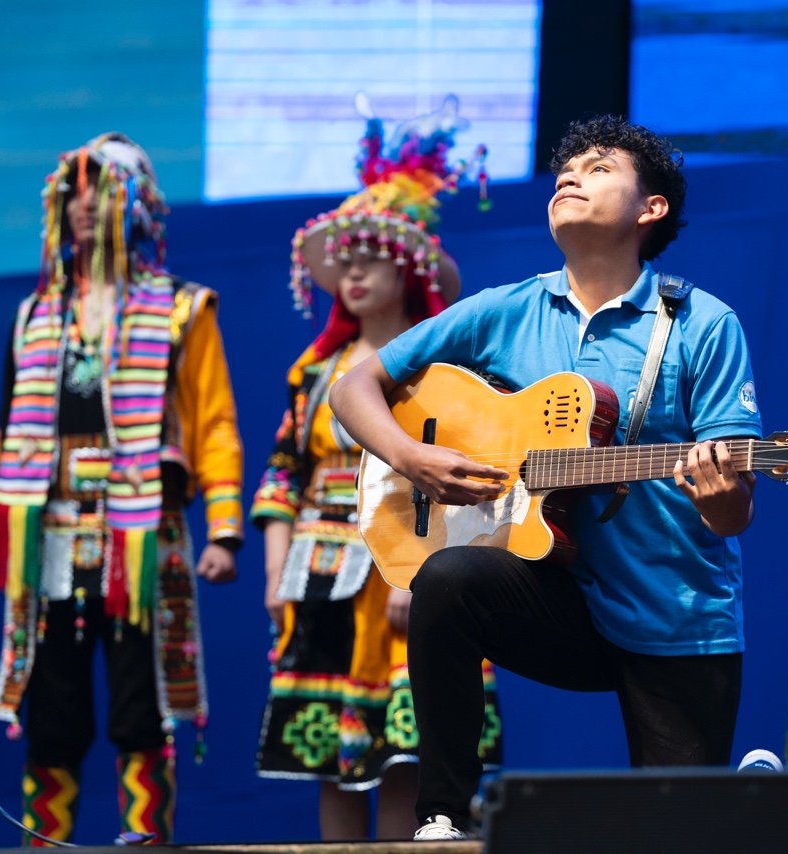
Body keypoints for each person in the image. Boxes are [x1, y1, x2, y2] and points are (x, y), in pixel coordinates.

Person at [329, 115, 762, 840]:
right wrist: (414, 458)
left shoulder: (703, 324)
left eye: (598, 169)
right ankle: (442, 816)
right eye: (566, 167)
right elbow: (354, 387)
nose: (571, 175)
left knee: (684, 834)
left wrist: (723, 496)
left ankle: (750, 802)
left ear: (650, 209)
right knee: (448, 579)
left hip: (675, 614)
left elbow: (733, 514)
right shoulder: (505, 310)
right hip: (557, 594)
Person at [0, 132, 244, 845]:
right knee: (51, 710)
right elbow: (5, 433)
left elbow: (213, 421)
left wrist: (226, 528)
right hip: (46, 538)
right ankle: (46, 843)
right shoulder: (35, 316)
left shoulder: (181, 308)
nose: (86, 206)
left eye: (102, 190)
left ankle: (144, 842)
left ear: (136, 205)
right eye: (74, 192)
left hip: (142, 537)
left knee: (140, 706)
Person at [251, 95, 502, 841]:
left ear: (410, 270)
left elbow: (477, 477)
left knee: (407, 754)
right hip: (322, 573)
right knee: (332, 752)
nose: (355, 275)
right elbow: (280, 479)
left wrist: (424, 572)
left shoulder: (443, 372)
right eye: (346, 263)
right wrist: (272, 572)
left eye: (372, 260)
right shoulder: (315, 370)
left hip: (408, 567)